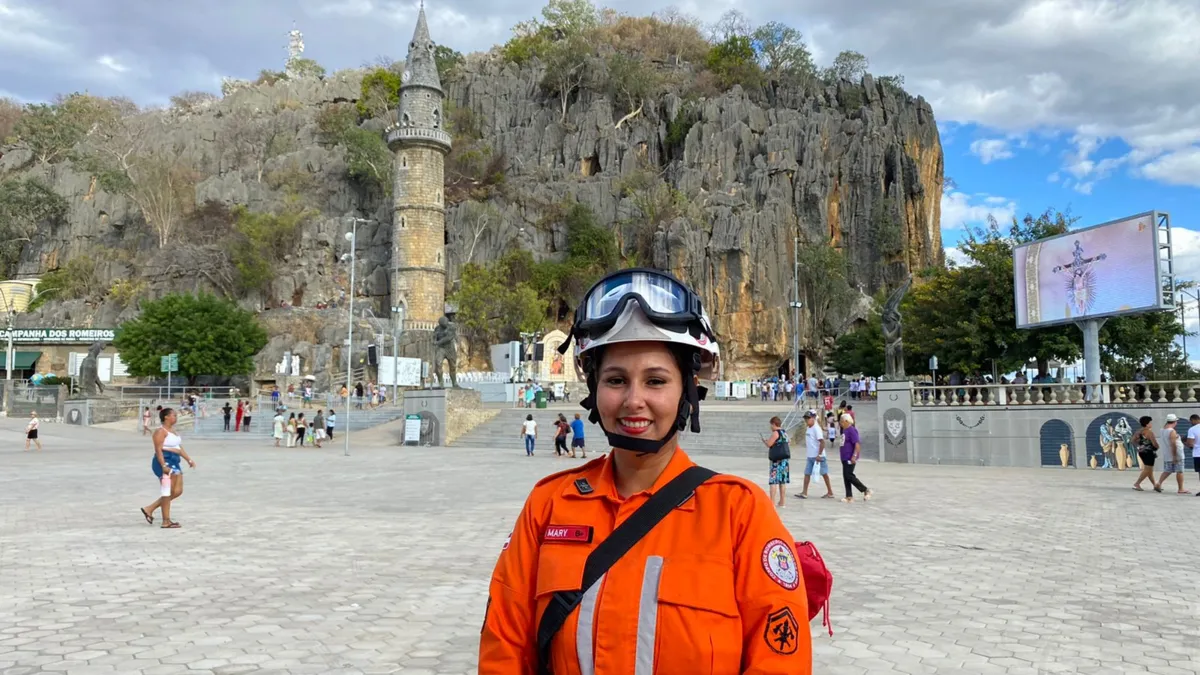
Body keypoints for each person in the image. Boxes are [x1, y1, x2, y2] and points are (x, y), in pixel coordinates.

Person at [480, 267, 813, 673]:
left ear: (688, 390)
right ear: (594, 389)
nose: (634, 400)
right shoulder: (548, 506)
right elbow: (504, 650)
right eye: (616, 379)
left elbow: (779, 662)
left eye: (656, 381)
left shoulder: (739, 514)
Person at [140, 408, 195, 529]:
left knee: (177, 491)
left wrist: (188, 459)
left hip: (175, 461)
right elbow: (158, 449)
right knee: (167, 491)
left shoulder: (173, 431)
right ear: (166, 417)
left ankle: (149, 508)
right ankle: (166, 521)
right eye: (173, 415)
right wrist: (164, 465)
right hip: (165, 462)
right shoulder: (160, 431)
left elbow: (178, 447)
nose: (176, 417)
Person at [798, 410, 834, 500]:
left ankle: (830, 492)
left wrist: (819, 455)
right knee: (807, 473)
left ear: (813, 418)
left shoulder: (816, 428)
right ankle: (804, 492)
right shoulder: (808, 428)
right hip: (810, 455)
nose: (806, 420)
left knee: (824, 473)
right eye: (805, 418)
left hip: (818, 456)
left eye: (808, 418)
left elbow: (822, 442)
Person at [839, 413, 870, 502]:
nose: (840, 423)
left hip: (850, 457)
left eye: (841, 421)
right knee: (846, 476)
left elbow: (857, 444)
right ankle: (849, 496)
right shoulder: (845, 430)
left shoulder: (852, 430)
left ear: (846, 421)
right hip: (844, 457)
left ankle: (865, 490)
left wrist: (854, 456)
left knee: (849, 475)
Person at [1154, 414, 1189, 494]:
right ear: (1175, 421)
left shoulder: (1162, 430)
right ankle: (1181, 488)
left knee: (1168, 470)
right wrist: (1174, 456)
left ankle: (1158, 483)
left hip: (1167, 454)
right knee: (1180, 471)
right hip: (1176, 454)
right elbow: (1173, 444)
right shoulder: (1172, 431)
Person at [762, 415, 791, 507]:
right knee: (782, 481)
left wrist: (765, 441)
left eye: (771, 425)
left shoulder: (775, 433)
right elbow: (788, 442)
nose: (770, 427)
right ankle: (782, 501)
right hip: (784, 461)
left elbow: (769, 444)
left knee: (773, 481)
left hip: (776, 461)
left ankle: (772, 502)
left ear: (774, 424)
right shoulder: (784, 433)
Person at [1132, 416, 1159, 491]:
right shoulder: (1149, 433)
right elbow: (1155, 444)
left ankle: (1155, 485)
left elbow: (1132, 441)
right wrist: (1157, 447)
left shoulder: (1138, 431)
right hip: (1149, 452)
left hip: (1141, 452)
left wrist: (1139, 446)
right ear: (1147, 424)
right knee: (1147, 469)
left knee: (1149, 469)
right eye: (1150, 422)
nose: (1151, 424)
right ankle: (1137, 484)